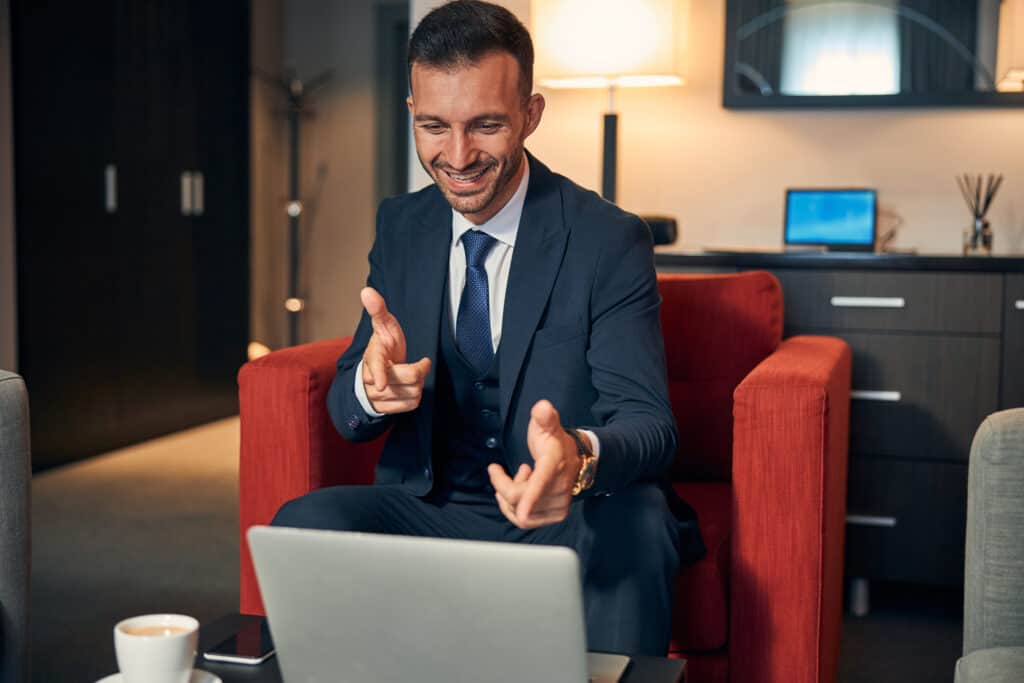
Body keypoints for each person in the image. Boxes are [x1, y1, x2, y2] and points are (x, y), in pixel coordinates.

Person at [272, 0, 702, 656]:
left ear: (531, 115)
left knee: (639, 522)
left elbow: (650, 424)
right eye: (435, 126)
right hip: (431, 509)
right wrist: (368, 386)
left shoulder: (607, 239)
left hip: (560, 516)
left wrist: (577, 457)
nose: (458, 155)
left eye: (486, 125)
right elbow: (345, 409)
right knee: (303, 523)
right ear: (411, 110)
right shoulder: (402, 225)